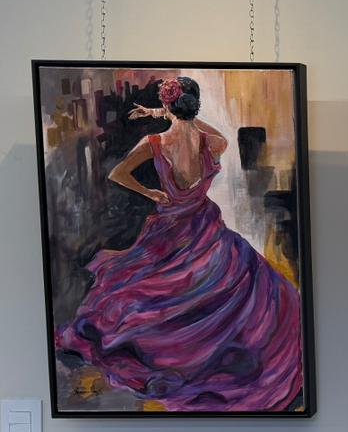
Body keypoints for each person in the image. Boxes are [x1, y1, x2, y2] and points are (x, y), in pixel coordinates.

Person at [56, 76, 303, 412]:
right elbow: (211, 133)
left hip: (170, 227)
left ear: (168, 104)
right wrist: (177, 115)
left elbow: (117, 174)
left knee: (158, 289)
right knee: (227, 285)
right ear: (193, 107)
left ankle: (173, 355)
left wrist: (151, 191)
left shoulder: (154, 143)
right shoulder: (211, 143)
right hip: (203, 225)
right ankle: (220, 354)